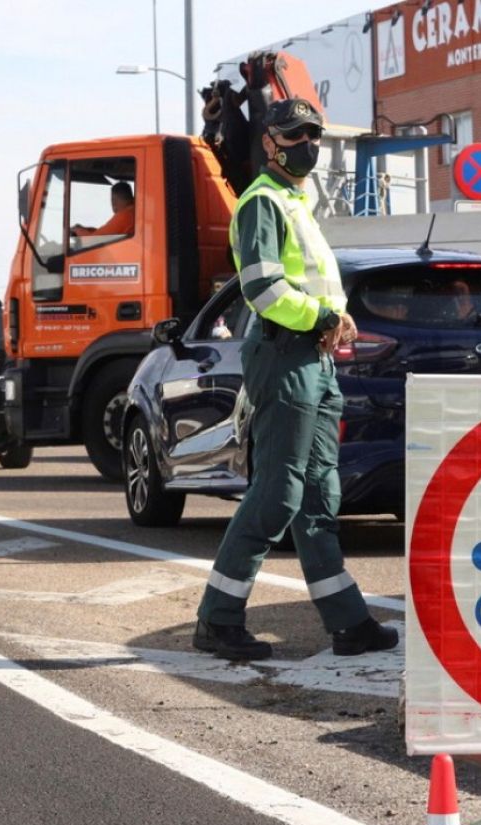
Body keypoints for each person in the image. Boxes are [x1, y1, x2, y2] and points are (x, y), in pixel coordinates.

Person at [193, 98, 398, 662]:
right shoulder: (262, 203)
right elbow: (262, 290)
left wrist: (335, 318)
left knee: (317, 496)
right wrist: (324, 317)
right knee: (278, 494)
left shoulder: (294, 202)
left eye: (312, 133)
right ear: (270, 143)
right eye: (294, 134)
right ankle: (217, 619)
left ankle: (349, 623)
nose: (306, 142)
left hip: (315, 358)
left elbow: (309, 286)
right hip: (286, 356)